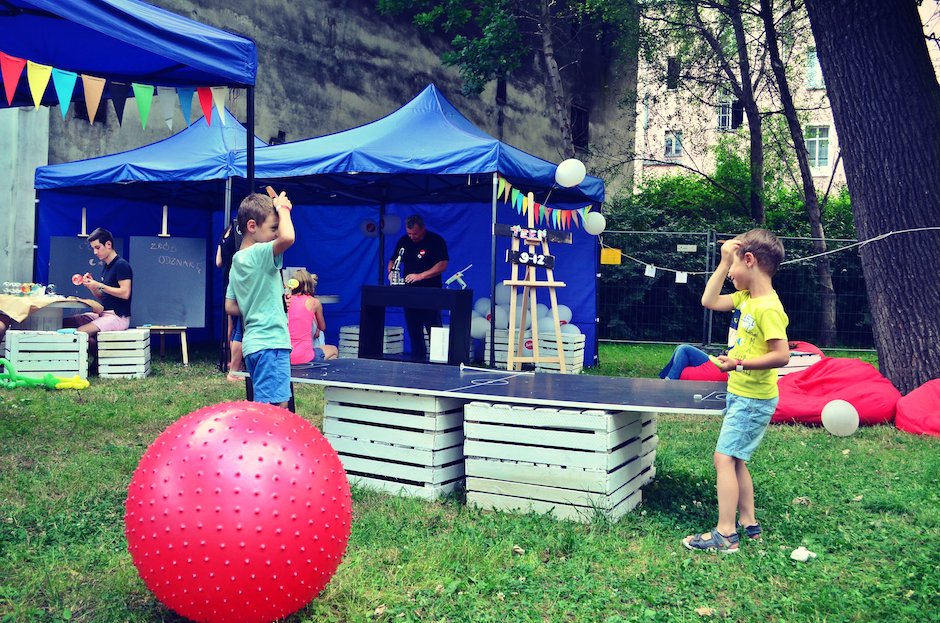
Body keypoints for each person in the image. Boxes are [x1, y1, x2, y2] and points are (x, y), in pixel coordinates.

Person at [683, 229, 790, 554]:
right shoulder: (746, 298)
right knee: (736, 459)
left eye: (732, 265)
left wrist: (739, 364)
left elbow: (782, 355)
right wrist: (723, 261)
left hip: (753, 399)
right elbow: (708, 300)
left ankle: (725, 534)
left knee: (724, 458)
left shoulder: (768, 308)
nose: (729, 273)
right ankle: (748, 522)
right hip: (742, 394)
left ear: (750, 260)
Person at [224, 191, 295, 407]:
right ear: (252, 226)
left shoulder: (237, 260)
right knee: (274, 410)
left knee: (266, 406)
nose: (276, 234)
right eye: (273, 228)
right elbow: (288, 237)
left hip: (253, 344)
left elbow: (230, 306)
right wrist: (284, 208)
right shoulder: (259, 253)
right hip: (271, 343)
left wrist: (267, 302)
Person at [387, 214, 449, 361]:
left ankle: (439, 362)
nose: (412, 237)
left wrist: (421, 276)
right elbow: (393, 260)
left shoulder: (435, 240)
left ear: (423, 229)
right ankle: (417, 360)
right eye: (409, 233)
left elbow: (443, 264)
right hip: (410, 293)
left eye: (415, 233)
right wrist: (391, 272)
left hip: (431, 291)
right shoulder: (404, 241)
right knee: (413, 329)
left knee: (433, 327)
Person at [66, 227, 133, 343]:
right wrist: (92, 287)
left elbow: (125, 293)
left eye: (97, 248)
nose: (95, 252)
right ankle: (95, 351)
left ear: (108, 244)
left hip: (117, 317)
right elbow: (103, 297)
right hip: (103, 314)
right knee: (66, 322)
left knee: (80, 333)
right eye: (93, 248)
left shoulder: (121, 265)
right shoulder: (107, 267)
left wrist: (99, 285)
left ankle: (96, 353)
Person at [287, 269, 338, 364]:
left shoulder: (285, 301)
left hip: (286, 356)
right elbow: (322, 327)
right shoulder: (314, 302)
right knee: (334, 350)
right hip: (305, 357)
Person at [216, 221, 243, 381]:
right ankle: (235, 365)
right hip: (239, 280)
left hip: (227, 280)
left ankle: (228, 360)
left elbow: (218, 262)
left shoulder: (223, 236)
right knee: (238, 325)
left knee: (229, 323)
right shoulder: (239, 236)